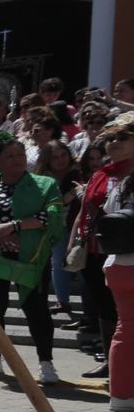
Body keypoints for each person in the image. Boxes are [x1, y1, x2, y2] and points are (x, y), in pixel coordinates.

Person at [0, 132, 64, 383]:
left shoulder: (44, 184)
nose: (16, 160)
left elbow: (51, 215)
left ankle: (46, 363)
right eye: (9, 156)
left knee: (36, 308)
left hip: (30, 255)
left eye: (20, 155)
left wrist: (14, 226)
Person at [79, 115, 134, 390]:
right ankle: (111, 365)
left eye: (122, 138)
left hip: (127, 254)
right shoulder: (101, 174)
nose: (114, 143)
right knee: (105, 307)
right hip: (100, 251)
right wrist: (74, 245)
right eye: (111, 138)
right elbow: (87, 211)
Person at [35, 141, 77, 318]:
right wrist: (65, 198)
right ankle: (63, 301)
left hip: (77, 223)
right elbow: (45, 203)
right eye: (55, 157)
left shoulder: (78, 172)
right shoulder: (43, 179)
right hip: (57, 225)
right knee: (58, 262)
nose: (60, 160)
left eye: (63, 155)